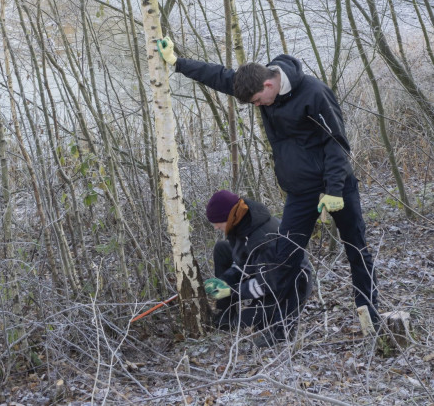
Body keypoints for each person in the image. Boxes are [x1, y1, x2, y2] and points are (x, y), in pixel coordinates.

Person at [157, 39, 379, 329]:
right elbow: (222, 77)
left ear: (269, 86)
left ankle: (370, 315)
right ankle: (279, 329)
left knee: (356, 249)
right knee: (283, 258)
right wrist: (178, 63)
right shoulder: (257, 83)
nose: (259, 107)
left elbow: (336, 142)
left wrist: (334, 190)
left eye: (258, 102)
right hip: (300, 192)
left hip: (335, 186)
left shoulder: (314, 93)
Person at [203, 189, 312, 345]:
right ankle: (226, 314)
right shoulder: (242, 221)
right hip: (269, 275)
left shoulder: (262, 238)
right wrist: (224, 281)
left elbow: (265, 284)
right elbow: (244, 262)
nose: (215, 227)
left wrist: (231, 291)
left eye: (217, 222)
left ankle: (279, 327)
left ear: (228, 216)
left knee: (250, 326)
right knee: (222, 248)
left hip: (292, 285)